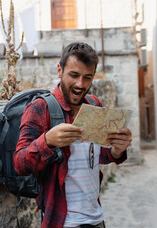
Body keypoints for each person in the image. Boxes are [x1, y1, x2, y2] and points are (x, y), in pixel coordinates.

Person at [14, 42, 132, 228]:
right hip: (62, 221)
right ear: (59, 71)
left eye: (87, 77)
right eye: (74, 75)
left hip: (96, 219)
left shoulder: (94, 105)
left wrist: (117, 151)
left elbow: (95, 155)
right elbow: (20, 164)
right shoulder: (40, 108)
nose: (80, 84)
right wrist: (48, 141)